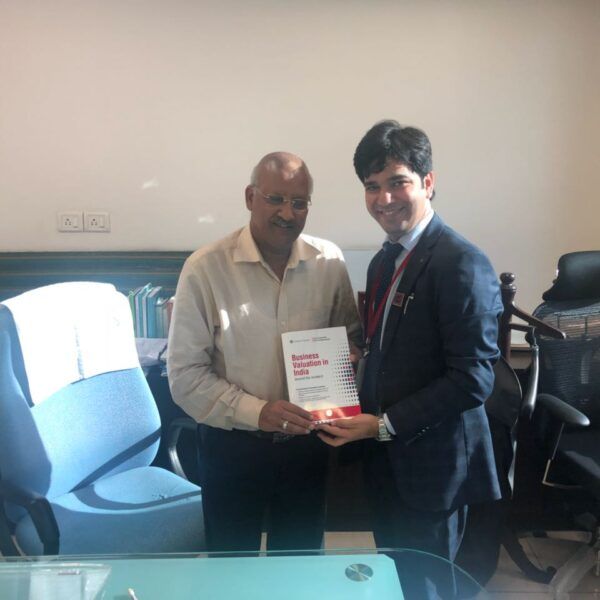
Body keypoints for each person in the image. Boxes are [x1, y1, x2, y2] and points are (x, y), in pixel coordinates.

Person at [317, 121, 502, 598]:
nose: (384, 199)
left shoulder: (461, 262)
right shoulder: (385, 260)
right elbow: (391, 345)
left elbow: (473, 379)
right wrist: (356, 358)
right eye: (371, 186)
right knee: (398, 577)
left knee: (431, 587)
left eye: (397, 182)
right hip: (387, 460)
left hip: (434, 467)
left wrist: (383, 425)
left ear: (428, 182)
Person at [167, 151, 361, 553]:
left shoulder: (329, 262)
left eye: (299, 202)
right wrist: (259, 412)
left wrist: (349, 358)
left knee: (299, 562)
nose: (287, 213)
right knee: (231, 564)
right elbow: (185, 377)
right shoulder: (205, 268)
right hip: (232, 447)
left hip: (308, 446)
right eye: (275, 199)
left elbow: (350, 338)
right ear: (250, 197)